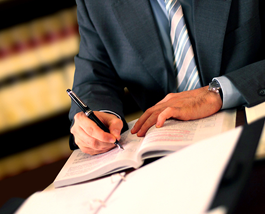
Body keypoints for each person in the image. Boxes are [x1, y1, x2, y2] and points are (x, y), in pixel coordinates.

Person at [69, 0, 265, 155]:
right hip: (169, 154)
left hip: (251, 130)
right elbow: (95, 76)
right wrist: (96, 117)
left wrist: (217, 92)